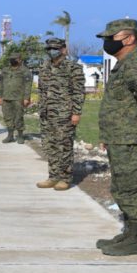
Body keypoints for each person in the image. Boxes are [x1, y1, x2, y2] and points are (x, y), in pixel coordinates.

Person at [95, 19, 137, 256]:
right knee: (121, 186)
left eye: (111, 38)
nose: (107, 42)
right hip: (121, 138)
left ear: (129, 38)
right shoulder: (123, 65)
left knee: (130, 187)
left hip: (132, 138)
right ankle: (129, 232)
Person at [36, 38, 85, 191]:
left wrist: (76, 112)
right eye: (49, 49)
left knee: (64, 146)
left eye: (55, 49)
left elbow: (78, 92)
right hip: (46, 113)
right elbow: (41, 90)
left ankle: (65, 178)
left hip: (64, 114)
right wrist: (40, 107)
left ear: (63, 49)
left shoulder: (73, 68)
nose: (52, 51)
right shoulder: (44, 67)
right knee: (50, 145)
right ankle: (53, 176)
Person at [0, 53, 32, 144]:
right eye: (11, 59)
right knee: (7, 117)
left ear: (20, 59)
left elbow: (28, 85)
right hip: (6, 97)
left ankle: (20, 135)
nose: (12, 60)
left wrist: (26, 98)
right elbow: (0, 83)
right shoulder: (5, 70)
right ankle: (10, 136)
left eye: (14, 59)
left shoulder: (25, 70)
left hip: (19, 98)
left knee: (18, 117)